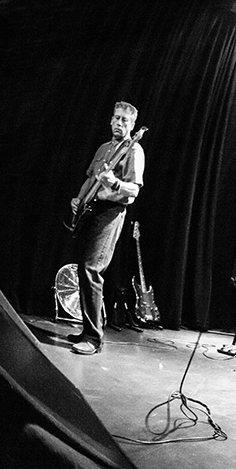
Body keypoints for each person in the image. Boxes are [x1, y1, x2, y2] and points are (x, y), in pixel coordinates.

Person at [68, 101, 145, 355]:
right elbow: (90, 177)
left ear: (132, 125)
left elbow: (134, 190)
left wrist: (114, 184)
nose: (118, 123)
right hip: (91, 210)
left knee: (92, 268)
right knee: (84, 269)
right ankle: (87, 328)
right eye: (116, 118)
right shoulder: (103, 148)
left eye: (124, 120)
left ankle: (93, 339)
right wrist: (78, 200)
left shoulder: (134, 150)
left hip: (111, 213)